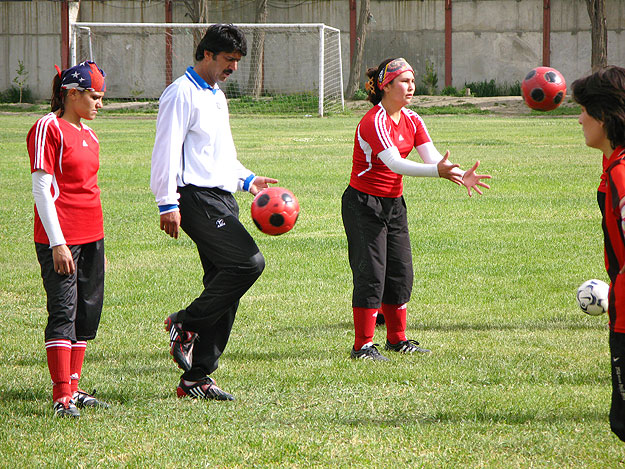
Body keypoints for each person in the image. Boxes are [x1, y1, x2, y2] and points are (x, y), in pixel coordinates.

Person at [150, 24, 277, 401]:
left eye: (237, 61)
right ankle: (184, 323)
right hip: (194, 199)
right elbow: (166, 151)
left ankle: (197, 377)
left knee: (225, 287)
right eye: (228, 60)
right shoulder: (181, 94)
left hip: (223, 199)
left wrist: (248, 179)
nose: (233, 68)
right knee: (248, 264)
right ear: (206, 54)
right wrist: (167, 201)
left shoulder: (216, 95)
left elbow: (220, 155)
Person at [342, 58, 491, 361]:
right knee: (371, 273)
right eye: (404, 81)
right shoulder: (375, 120)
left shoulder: (412, 118)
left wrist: (460, 175)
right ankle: (363, 346)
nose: (411, 87)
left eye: (412, 81)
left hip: (394, 204)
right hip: (363, 204)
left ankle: (396, 340)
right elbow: (394, 162)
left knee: (400, 271)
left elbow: (432, 155)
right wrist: (438, 172)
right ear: (385, 86)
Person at [27, 61, 110, 417]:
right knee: (63, 311)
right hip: (61, 239)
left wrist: (99, 245)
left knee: (85, 315)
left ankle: (74, 389)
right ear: (72, 93)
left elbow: (90, 190)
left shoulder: (90, 135)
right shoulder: (48, 127)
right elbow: (42, 190)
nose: (99, 104)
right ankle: (61, 395)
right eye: (94, 96)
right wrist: (59, 243)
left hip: (92, 237)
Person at [572, 65, 625, 442]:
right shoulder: (613, 166)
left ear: (605, 116)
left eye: (584, 110)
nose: (579, 120)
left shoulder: (622, 173)